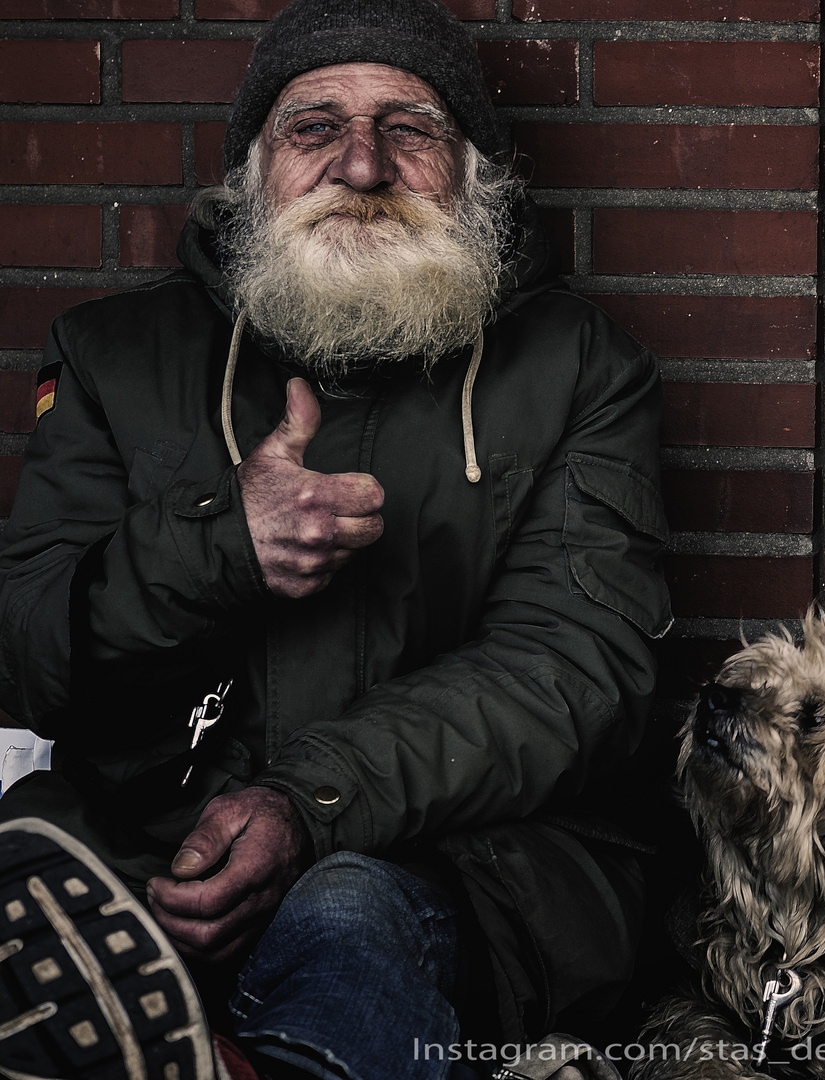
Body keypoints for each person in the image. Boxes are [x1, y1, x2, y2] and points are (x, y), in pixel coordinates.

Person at [0, 1, 673, 1077]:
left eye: (409, 129)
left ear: (473, 174)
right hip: (137, 843)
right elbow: (31, 655)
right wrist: (216, 550)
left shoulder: (581, 367)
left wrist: (304, 806)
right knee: (38, 908)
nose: (361, 166)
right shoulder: (109, 354)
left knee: (350, 915)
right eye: (313, 126)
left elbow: (575, 668)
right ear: (252, 171)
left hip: (464, 860)